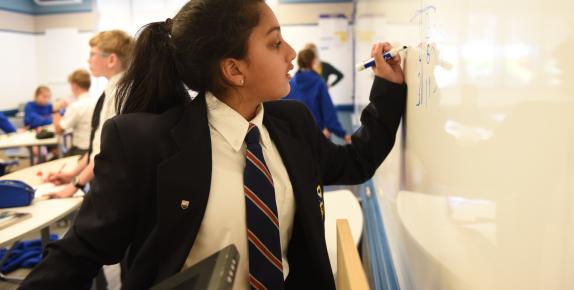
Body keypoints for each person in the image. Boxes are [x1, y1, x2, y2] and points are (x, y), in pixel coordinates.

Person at [18, 0, 406, 289]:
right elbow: (81, 251)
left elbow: (355, 161)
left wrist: (388, 87)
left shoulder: (293, 124)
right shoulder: (145, 143)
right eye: (275, 44)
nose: (290, 54)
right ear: (234, 69)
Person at [43, 30, 134, 198]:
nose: (88, 60)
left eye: (93, 54)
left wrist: (74, 185)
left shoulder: (118, 95)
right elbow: (96, 147)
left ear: (111, 60)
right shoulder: (113, 90)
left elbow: (103, 151)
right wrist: (72, 175)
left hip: (112, 184)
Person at [285, 48, 351, 143]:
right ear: (313, 62)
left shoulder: (290, 83)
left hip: (296, 135)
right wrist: (343, 134)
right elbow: (328, 113)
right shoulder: (319, 82)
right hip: (318, 133)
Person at [52, 69, 94, 157]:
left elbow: (58, 130)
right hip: (94, 148)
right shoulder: (96, 101)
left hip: (81, 151)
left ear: (74, 85)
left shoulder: (76, 106)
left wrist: (55, 110)